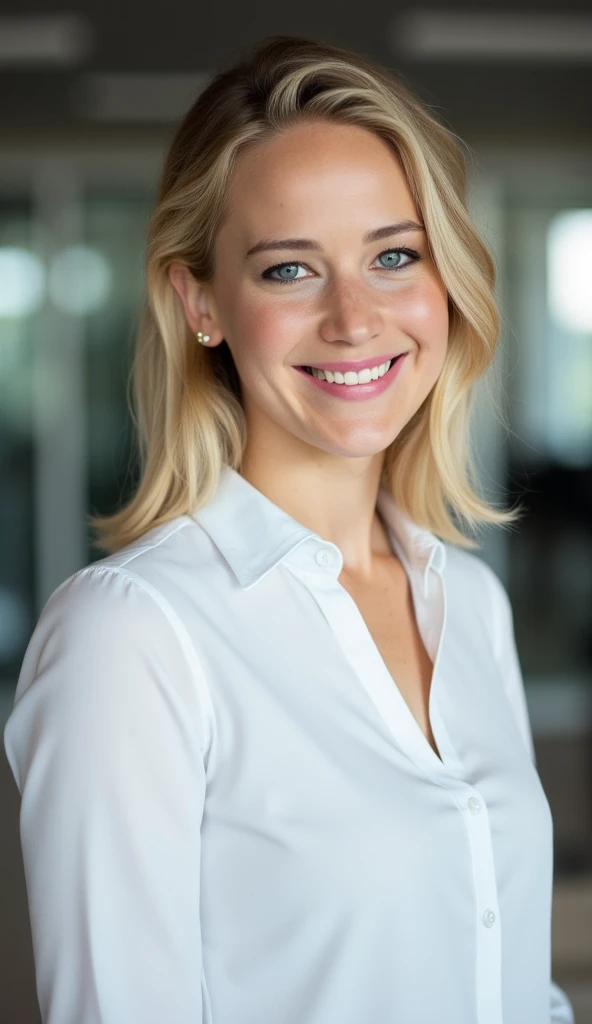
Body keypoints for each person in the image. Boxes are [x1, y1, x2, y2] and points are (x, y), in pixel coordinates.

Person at [3, 33, 575, 1024]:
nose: (355, 318)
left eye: (394, 256)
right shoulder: (131, 636)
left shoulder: (469, 602)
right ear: (201, 304)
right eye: (288, 270)